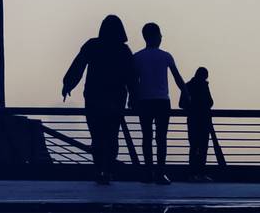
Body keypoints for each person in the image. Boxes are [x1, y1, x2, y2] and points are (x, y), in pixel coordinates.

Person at [62, 15, 137, 185]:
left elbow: (78, 65)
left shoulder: (92, 45)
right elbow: (131, 77)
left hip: (94, 97)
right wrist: (133, 97)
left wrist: (68, 84)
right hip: (115, 99)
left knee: (97, 136)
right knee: (112, 136)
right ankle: (108, 170)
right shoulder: (123, 50)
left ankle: (99, 170)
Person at [132, 22, 186, 185]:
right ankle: (160, 173)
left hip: (144, 101)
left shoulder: (137, 57)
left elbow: (133, 81)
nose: (162, 37)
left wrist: (131, 98)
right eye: (160, 34)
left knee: (146, 137)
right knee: (161, 138)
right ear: (155, 36)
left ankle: (148, 173)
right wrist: (187, 94)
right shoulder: (166, 56)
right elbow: (177, 78)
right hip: (162, 101)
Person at [180, 67, 215, 182]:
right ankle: (201, 173)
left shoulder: (187, 85)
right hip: (204, 120)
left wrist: (191, 107)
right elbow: (210, 102)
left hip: (192, 120)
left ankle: (192, 174)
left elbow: (181, 104)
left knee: (194, 147)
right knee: (203, 148)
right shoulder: (204, 86)